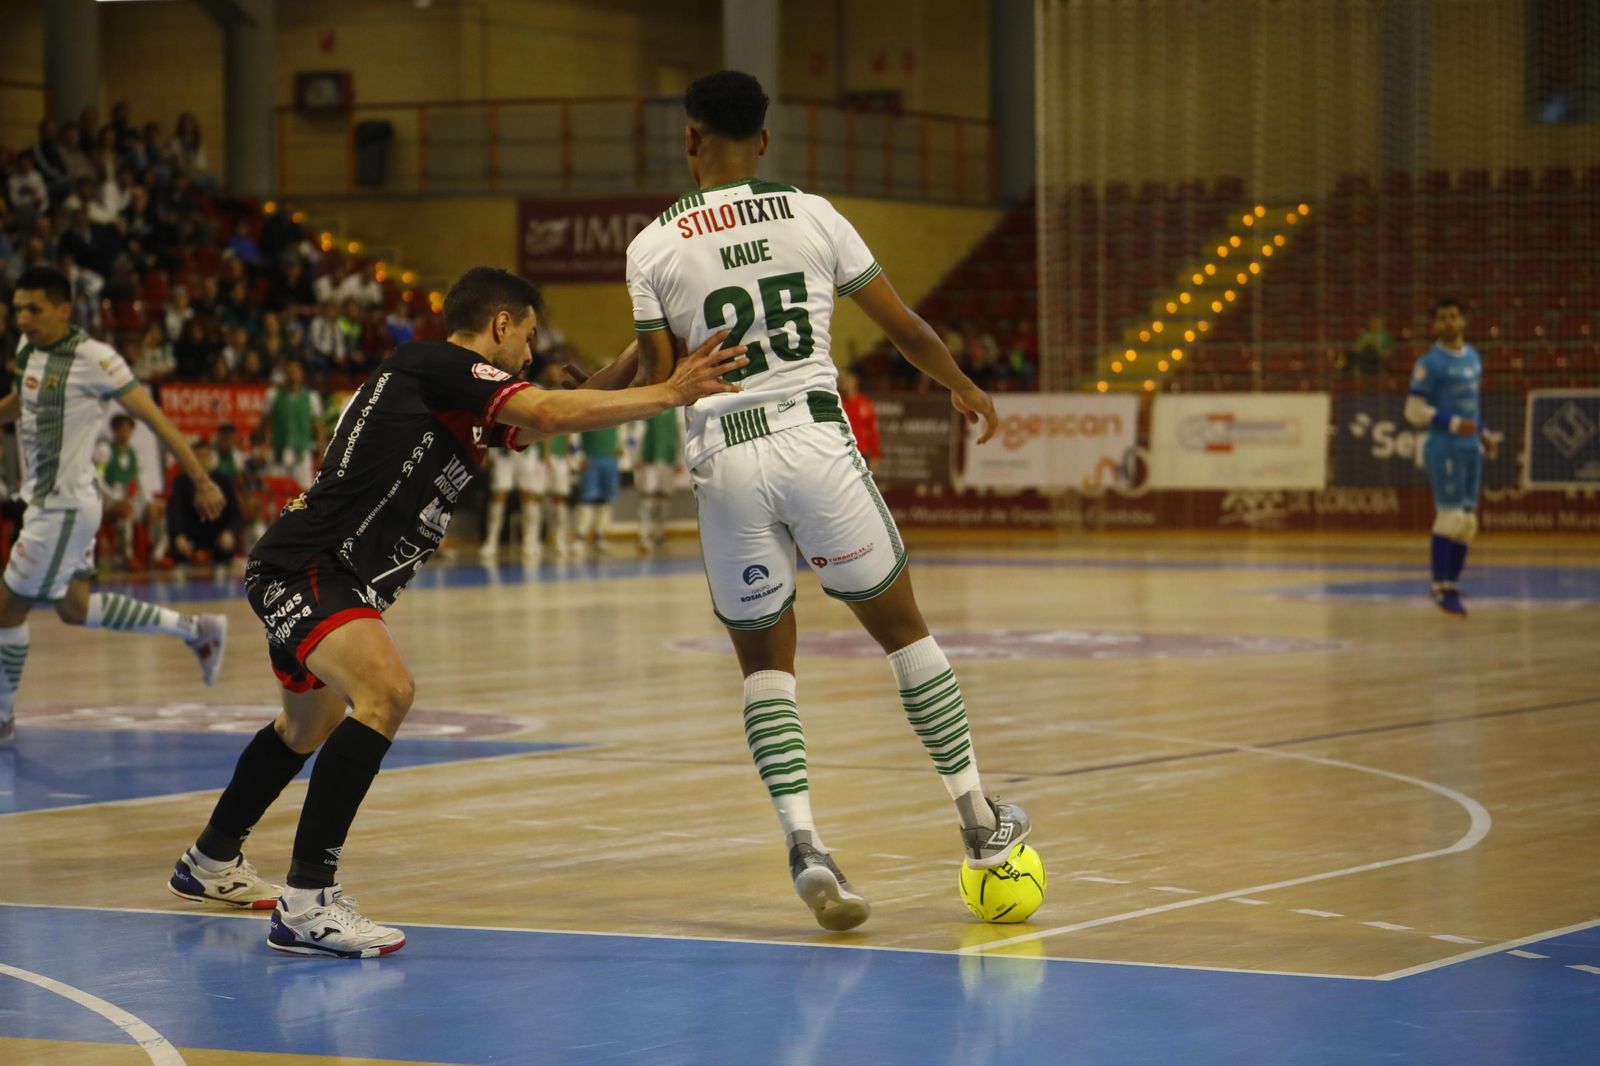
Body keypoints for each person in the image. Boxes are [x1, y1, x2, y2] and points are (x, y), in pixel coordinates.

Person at [166, 266, 747, 957]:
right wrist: (672, 391)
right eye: (527, 338)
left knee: (307, 724)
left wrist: (643, 354)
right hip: (315, 565)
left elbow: (546, 416)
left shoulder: (456, 395)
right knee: (386, 693)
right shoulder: (435, 362)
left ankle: (209, 861)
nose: (530, 356)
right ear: (500, 325)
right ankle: (308, 902)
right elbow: (548, 411)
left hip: (327, 570)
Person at [624, 71, 1026, 931]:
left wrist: (574, 395)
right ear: (764, 141)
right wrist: (961, 385)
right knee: (905, 634)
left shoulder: (651, 246)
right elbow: (906, 329)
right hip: (813, 441)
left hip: (724, 460)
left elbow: (661, 377)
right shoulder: (812, 212)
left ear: (688, 140)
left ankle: (806, 844)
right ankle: (981, 826)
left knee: (767, 665)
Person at [0, 267, 227, 747]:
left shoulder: (93, 358)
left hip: (61, 509)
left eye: (33, 308)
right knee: (74, 609)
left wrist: (201, 478)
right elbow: (22, 402)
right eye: (17, 308)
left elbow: (154, 418)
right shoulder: (27, 350)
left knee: (7, 610)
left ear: (64, 309)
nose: (22, 318)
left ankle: (1, 718)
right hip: (54, 506)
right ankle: (195, 629)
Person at [1404, 297, 1499, 617]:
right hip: (1443, 447)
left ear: (1463, 321)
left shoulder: (1472, 356)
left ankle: (1452, 585)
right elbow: (1413, 410)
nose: (1449, 322)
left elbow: (1471, 408)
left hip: (1470, 447)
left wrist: (1483, 432)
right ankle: (1439, 586)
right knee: (1451, 517)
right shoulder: (1430, 363)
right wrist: (1454, 424)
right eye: (1442, 318)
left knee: (1468, 522)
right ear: (1434, 325)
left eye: (1454, 317)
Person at [95, 412, 167, 568]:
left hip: (128, 500)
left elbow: (142, 482)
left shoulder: (135, 455)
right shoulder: (104, 451)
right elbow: (97, 480)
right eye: (120, 429)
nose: (124, 433)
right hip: (106, 501)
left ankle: (157, 555)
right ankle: (126, 556)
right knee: (125, 510)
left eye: (127, 429)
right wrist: (114, 499)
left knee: (159, 510)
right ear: (113, 430)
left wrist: (149, 503)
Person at [169, 440, 242, 571]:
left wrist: (229, 532)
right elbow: (175, 511)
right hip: (190, 537)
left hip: (217, 537)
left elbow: (235, 513)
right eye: (198, 457)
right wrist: (178, 535)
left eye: (205, 456)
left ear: (211, 458)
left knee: (225, 554)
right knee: (180, 554)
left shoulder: (223, 480)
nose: (202, 461)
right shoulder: (181, 481)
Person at [262, 359, 324, 489]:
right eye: (289, 371)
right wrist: (262, 446)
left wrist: (322, 451)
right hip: (278, 450)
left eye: (296, 371)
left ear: (302, 374)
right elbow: (263, 423)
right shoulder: (272, 395)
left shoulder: (312, 397)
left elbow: (318, 427)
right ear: (284, 373)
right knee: (275, 489)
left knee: (304, 493)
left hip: (301, 452)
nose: (292, 374)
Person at [634, 409, 681, 552]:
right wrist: (638, 457)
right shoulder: (650, 407)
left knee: (664, 498)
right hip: (650, 459)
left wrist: (679, 459)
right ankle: (643, 535)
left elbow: (679, 436)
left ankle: (660, 534)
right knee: (648, 497)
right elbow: (639, 433)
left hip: (667, 458)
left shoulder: (675, 412)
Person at [575, 425, 623, 558]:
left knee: (605, 500)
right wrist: (579, 457)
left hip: (609, 460)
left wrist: (620, 450)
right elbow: (574, 434)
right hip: (590, 459)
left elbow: (622, 435)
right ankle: (580, 537)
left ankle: (600, 536)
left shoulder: (616, 415)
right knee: (587, 500)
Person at [838, 368, 880, 471]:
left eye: (847, 380)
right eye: (843, 381)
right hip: (842, 451)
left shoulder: (865, 403)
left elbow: (872, 430)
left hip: (861, 451)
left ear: (854, 382)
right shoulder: (839, 402)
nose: (844, 383)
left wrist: (875, 454)